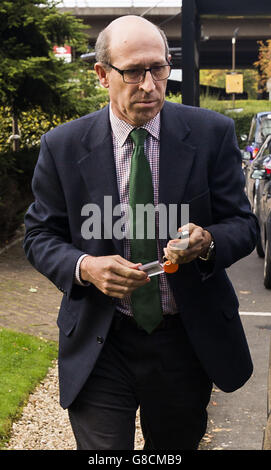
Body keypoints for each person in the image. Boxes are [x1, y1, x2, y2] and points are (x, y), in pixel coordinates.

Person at [23, 15, 258, 450]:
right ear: (102, 74)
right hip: (101, 337)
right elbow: (39, 235)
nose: (149, 85)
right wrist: (86, 266)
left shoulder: (211, 134)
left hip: (183, 340)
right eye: (133, 72)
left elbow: (243, 224)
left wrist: (207, 242)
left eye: (158, 68)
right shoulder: (63, 146)